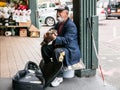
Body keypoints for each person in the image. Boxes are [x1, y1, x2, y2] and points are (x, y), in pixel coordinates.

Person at [41, 5, 81, 87]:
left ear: (66, 13)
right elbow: (53, 29)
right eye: (57, 12)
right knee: (44, 48)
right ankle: (49, 68)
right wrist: (48, 33)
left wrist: (55, 38)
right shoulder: (59, 23)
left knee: (58, 52)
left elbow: (66, 40)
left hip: (70, 50)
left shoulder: (71, 26)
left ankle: (59, 76)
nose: (58, 14)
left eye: (60, 12)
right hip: (60, 47)